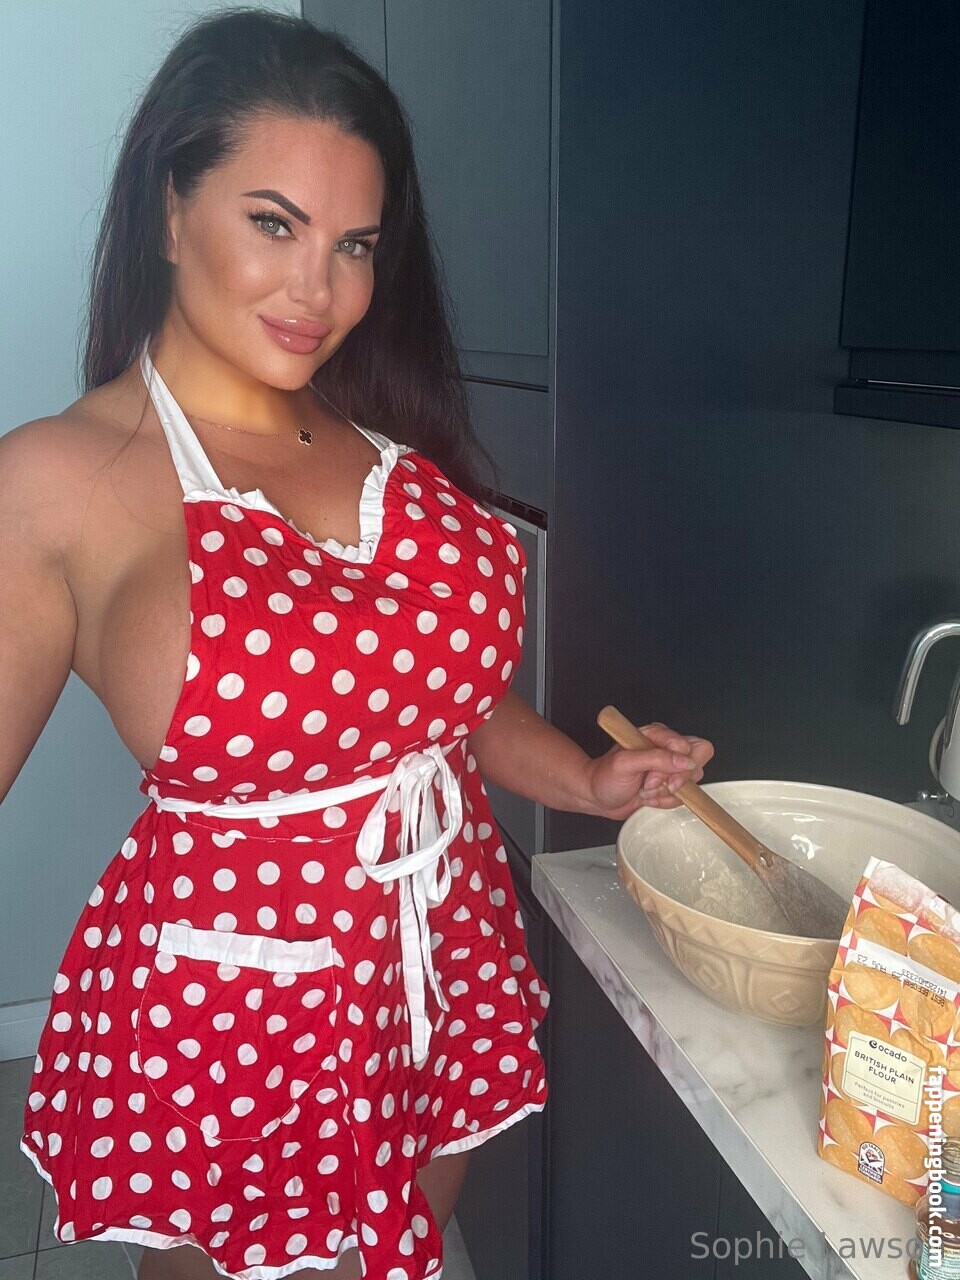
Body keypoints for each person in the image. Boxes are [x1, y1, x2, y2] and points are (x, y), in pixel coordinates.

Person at [0, 9, 714, 1279]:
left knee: (399, 1248)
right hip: (241, 1012)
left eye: (355, 245)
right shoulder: (62, 480)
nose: (317, 290)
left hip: (439, 956)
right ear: (170, 211)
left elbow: (435, 707)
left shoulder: (389, 448)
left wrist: (585, 779)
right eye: (273, 223)